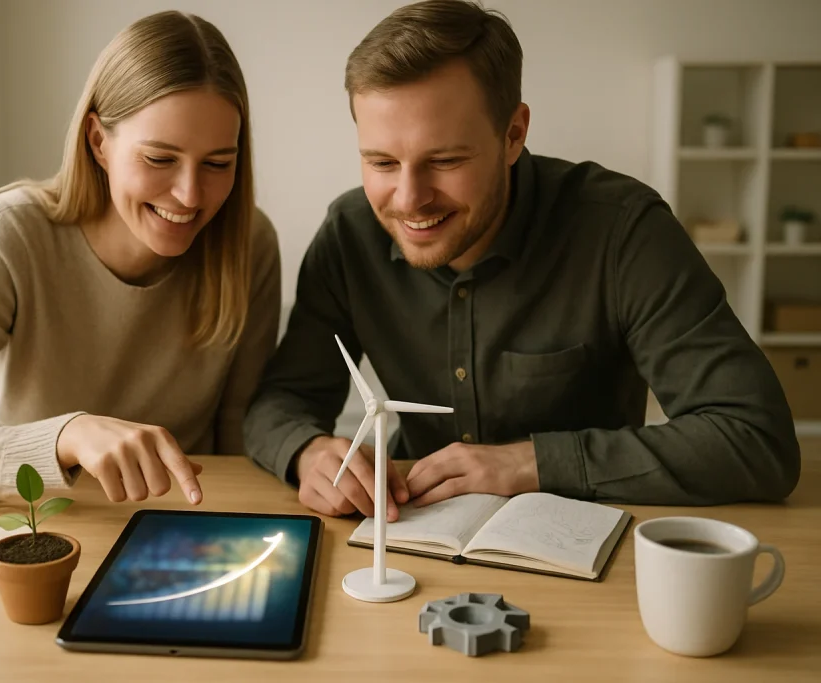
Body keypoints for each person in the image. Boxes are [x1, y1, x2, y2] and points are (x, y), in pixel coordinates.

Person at [243, 0, 800, 520]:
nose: (409, 200)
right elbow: (280, 403)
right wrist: (308, 451)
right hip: (414, 530)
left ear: (513, 134)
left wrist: (528, 464)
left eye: (444, 160)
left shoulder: (623, 229)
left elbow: (755, 438)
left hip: (589, 539)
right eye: (383, 162)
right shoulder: (350, 234)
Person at [0, 11, 281, 506]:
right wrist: (67, 437)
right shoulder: (10, 231)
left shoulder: (249, 244)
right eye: (159, 159)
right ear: (98, 142)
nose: (190, 194)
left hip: (180, 524)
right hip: (32, 523)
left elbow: (242, 438)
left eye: (218, 163)